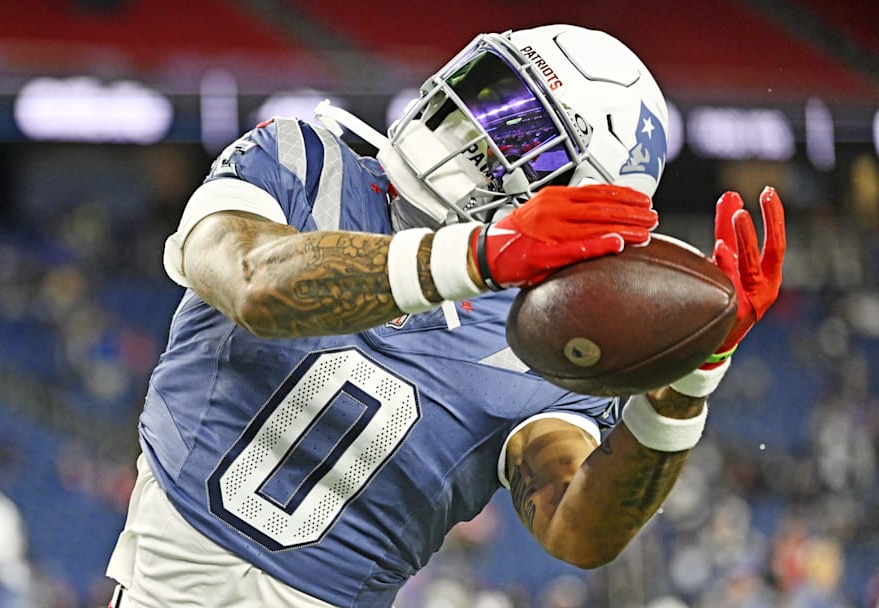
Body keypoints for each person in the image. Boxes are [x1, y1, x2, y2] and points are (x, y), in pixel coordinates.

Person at [105, 24, 786, 608]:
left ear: (583, 194)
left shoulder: (540, 338)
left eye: (523, 128)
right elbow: (253, 282)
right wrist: (482, 254)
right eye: (489, 90)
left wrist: (690, 377)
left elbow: (579, 531)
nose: (474, 123)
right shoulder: (303, 159)